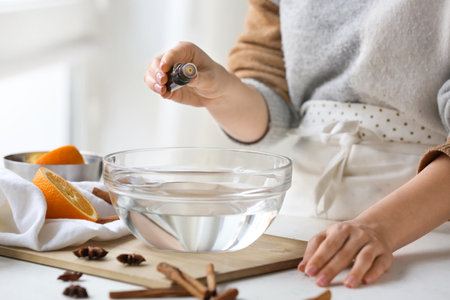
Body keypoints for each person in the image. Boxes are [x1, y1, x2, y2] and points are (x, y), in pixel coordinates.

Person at [144, 0, 450, 289]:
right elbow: (268, 93)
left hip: (426, 220)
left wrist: (380, 227)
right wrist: (220, 91)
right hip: (302, 209)